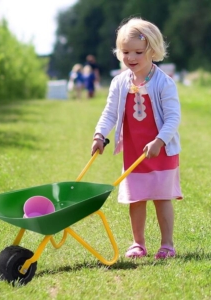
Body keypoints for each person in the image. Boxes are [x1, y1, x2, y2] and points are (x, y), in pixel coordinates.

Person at [90, 17, 182, 260]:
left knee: (162, 198)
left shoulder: (164, 83)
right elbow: (109, 112)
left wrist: (160, 141)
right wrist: (99, 134)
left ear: (152, 50)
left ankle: (167, 245)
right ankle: (138, 243)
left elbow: (173, 118)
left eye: (138, 52)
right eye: (126, 52)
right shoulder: (120, 82)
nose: (131, 57)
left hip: (160, 151)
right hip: (134, 151)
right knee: (136, 198)